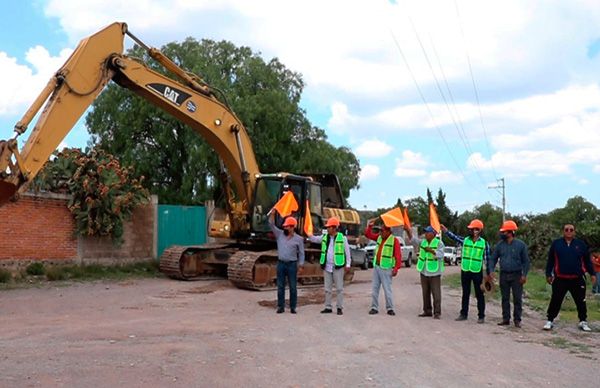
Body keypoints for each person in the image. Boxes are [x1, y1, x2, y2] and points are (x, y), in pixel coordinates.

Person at [543, 224, 597, 332]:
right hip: (560, 278)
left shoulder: (580, 245)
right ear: (563, 231)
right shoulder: (556, 244)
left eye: (571, 230)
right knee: (556, 299)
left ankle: (583, 321)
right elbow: (551, 260)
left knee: (581, 301)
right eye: (566, 229)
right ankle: (550, 320)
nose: (569, 231)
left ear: (574, 232)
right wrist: (548, 274)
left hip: (577, 278)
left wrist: (592, 274)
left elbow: (587, 261)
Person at [442, 219, 490, 324]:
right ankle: (463, 314)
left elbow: (487, 259)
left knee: (479, 294)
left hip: (477, 271)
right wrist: (446, 231)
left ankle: (481, 315)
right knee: (465, 293)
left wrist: (488, 274)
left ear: (479, 230)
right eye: (471, 229)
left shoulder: (484, 243)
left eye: (474, 229)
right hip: (465, 270)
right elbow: (454, 237)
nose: (472, 231)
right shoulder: (466, 240)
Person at [488, 220, 530, 328]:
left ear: (511, 232)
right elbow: (493, 258)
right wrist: (491, 270)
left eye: (504, 232)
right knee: (505, 298)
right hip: (504, 274)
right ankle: (505, 319)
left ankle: (517, 320)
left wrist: (524, 275)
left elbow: (526, 261)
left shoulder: (521, 245)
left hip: (517, 275)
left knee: (517, 298)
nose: (502, 234)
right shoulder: (500, 245)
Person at [307, 216, 351, 315]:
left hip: (338, 266)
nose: (327, 229)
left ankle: (339, 307)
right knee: (327, 289)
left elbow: (347, 252)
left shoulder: (342, 238)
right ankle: (328, 307)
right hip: (327, 266)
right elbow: (314, 239)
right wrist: (308, 233)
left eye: (329, 227)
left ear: (334, 228)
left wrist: (348, 264)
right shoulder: (324, 237)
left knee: (339, 288)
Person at [405, 225, 445, 319]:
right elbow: (413, 240)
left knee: (436, 293)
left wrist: (431, 251)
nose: (425, 234)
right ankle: (427, 311)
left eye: (428, 232)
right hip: (424, 270)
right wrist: (408, 230)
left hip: (434, 272)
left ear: (433, 234)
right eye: (425, 232)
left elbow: (441, 254)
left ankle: (437, 312)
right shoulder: (423, 242)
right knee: (425, 292)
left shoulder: (439, 243)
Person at [269, 212, 305, 314]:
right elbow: (271, 224)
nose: (285, 228)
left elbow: (301, 253)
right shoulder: (279, 234)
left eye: (287, 226)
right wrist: (272, 214)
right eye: (285, 226)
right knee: (280, 287)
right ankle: (281, 306)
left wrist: (301, 265)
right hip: (281, 264)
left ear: (292, 227)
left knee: (293, 287)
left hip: (292, 265)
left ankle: (293, 307)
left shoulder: (299, 239)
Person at [364, 219, 401, 316]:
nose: (380, 232)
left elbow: (398, 255)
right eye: (380, 231)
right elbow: (368, 235)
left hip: (386, 268)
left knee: (387, 289)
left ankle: (390, 308)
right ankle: (374, 307)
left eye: (383, 231)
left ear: (389, 231)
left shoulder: (394, 241)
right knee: (375, 288)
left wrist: (396, 268)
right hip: (377, 266)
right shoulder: (379, 238)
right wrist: (370, 227)